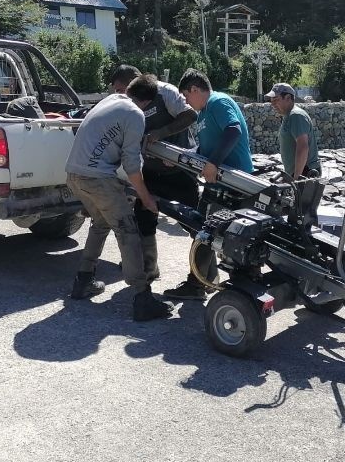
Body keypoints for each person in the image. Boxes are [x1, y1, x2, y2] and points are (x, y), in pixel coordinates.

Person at [64, 76, 173, 321]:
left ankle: (83, 280)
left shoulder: (111, 100)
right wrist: (146, 198)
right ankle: (142, 297)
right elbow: (132, 165)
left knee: (101, 223)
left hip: (74, 175)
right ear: (148, 101)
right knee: (127, 230)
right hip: (96, 179)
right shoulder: (136, 114)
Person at [162, 68, 254, 300]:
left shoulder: (218, 101)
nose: (186, 103)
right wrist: (179, 159)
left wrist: (213, 163)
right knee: (204, 231)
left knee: (223, 234)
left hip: (235, 183)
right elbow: (203, 149)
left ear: (194, 89)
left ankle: (205, 284)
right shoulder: (203, 114)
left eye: (186, 97)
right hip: (219, 183)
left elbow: (233, 130)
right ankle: (201, 282)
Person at [109, 65, 200, 284]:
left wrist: (161, 134)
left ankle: (201, 279)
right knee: (143, 219)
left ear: (136, 81)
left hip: (179, 170)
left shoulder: (165, 92)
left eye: (123, 90)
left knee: (196, 224)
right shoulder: (126, 103)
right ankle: (149, 269)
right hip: (150, 170)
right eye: (117, 91)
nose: (120, 96)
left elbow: (190, 115)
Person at [266, 82, 322, 225]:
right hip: (298, 173)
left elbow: (302, 147)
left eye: (276, 99)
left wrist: (296, 178)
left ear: (289, 98)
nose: (273, 104)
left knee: (302, 218)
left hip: (306, 172)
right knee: (297, 216)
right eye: (271, 100)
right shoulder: (288, 116)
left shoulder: (296, 116)